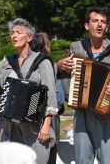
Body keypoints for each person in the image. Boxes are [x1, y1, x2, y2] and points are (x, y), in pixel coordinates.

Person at [57, 7, 110, 164]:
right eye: (95, 21)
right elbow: (64, 72)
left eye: (103, 22)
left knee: (108, 161)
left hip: (109, 115)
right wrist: (60, 65)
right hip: (82, 113)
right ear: (87, 26)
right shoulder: (77, 47)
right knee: (82, 160)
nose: (99, 25)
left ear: (106, 27)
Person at [0, 18, 58, 164]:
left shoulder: (42, 62)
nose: (14, 35)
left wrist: (46, 125)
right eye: (12, 33)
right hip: (8, 126)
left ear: (29, 37)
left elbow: (50, 94)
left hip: (34, 127)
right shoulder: (5, 63)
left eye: (18, 32)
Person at [30, 32, 66, 164]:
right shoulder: (48, 65)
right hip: (50, 116)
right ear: (45, 47)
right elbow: (59, 99)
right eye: (48, 45)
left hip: (31, 118)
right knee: (49, 153)